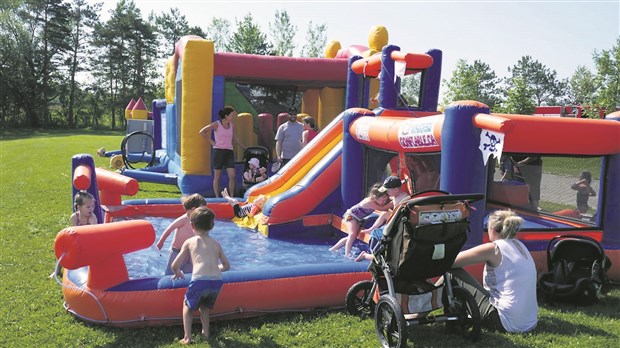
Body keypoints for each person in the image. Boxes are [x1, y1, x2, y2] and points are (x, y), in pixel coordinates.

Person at [446, 210, 538, 333]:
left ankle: (425, 312)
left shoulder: (494, 248)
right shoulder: (521, 246)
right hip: (529, 323)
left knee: (451, 272)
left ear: (492, 229)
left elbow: (450, 263)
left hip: (503, 322)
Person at [171, 206, 230, 344]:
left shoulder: (190, 242)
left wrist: (177, 272)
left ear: (192, 225)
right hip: (216, 281)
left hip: (199, 280)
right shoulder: (216, 244)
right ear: (212, 226)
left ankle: (187, 337)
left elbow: (174, 265)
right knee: (204, 306)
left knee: (187, 307)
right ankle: (206, 332)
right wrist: (215, 269)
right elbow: (227, 266)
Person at [354, 176, 410, 261]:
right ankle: (371, 232)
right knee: (384, 216)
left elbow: (398, 216)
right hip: (396, 220)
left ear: (395, 190)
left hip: (397, 222)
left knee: (376, 234)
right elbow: (397, 190)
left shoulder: (402, 199)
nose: (386, 193)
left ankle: (365, 255)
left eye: (388, 190)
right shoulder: (398, 195)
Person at [329, 183, 391, 257]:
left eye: (386, 198)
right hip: (351, 216)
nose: (385, 201)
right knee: (352, 235)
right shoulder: (369, 202)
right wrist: (393, 203)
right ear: (375, 197)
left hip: (358, 219)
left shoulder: (376, 201)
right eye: (383, 198)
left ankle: (334, 248)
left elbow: (385, 209)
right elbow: (382, 209)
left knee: (353, 237)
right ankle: (347, 254)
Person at [199, 107, 246, 197]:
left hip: (229, 152)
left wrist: (244, 147)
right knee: (217, 176)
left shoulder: (232, 125)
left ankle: (231, 196)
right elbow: (202, 132)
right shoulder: (217, 124)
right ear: (226, 116)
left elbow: (235, 138)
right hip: (218, 152)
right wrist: (212, 142)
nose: (233, 117)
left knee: (232, 175)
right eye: (231, 115)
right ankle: (217, 197)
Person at [156, 194, 207, 275]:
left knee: (192, 271)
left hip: (189, 252)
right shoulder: (184, 219)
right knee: (170, 272)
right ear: (193, 209)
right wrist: (161, 241)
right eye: (202, 211)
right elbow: (170, 228)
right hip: (177, 251)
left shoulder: (197, 221)